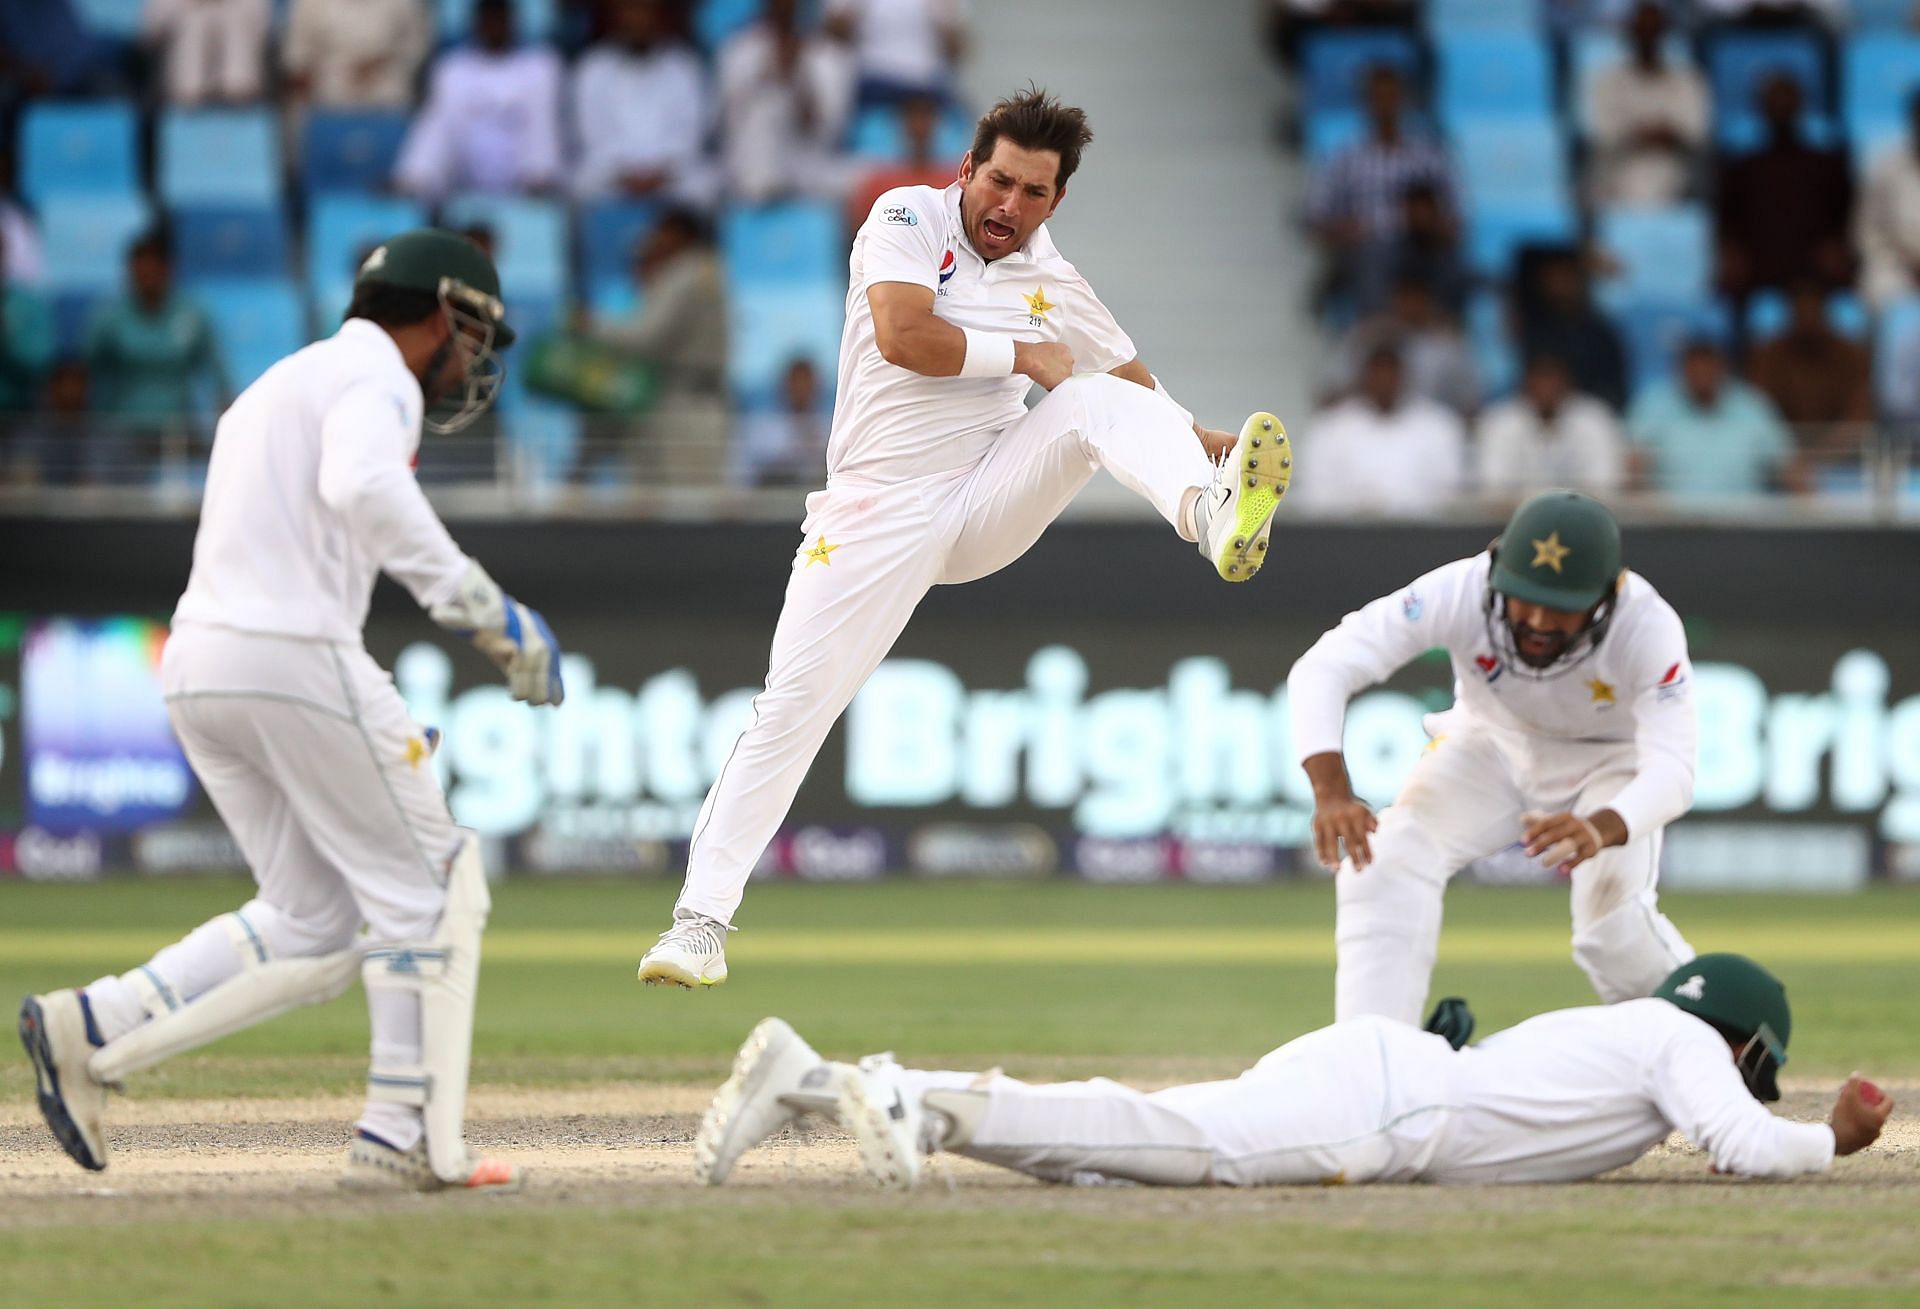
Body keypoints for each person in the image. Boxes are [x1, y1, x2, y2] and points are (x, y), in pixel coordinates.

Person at [636, 89, 1290, 989]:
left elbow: (1133, 388)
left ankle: (1206, 513)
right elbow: (904, 336)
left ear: (1056, 203)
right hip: (871, 514)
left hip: (983, 498)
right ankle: (699, 924)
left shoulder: (1057, 284)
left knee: (1098, 402)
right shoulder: (905, 215)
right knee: (792, 707)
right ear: (967, 171)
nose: (1007, 207)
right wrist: (1023, 357)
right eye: (999, 181)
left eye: (1031, 193)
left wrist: (1206, 445)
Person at [17, 230, 563, 1193]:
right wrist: (492, 613)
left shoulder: (277, 382)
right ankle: (399, 1135)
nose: (471, 361)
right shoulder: (377, 381)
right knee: (432, 883)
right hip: (290, 659)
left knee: (312, 915)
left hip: (199, 666)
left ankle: (89, 1022)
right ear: (439, 314)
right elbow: (361, 488)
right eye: (472, 334)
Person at [696, 954, 1893, 1191]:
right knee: (1160, 1141)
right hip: (1389, 1104)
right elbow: (1741, 1142)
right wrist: (1829, 1139)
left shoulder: (1634, 1036)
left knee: (1135, 1147)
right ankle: (918, 1099)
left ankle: (811, 1077)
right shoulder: (1680, 1045)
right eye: (1760, 1073)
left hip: (1388, 1077)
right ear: (1743, 1046)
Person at [1288, 491, 1696, 1023]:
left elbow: (1674, 769)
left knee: (1611, 931)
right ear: (1496, 569)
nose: (1539, 622)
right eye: (1523, 597)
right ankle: (1373, 1063)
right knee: (1384, 860)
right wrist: (1331, 793)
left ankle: (1721, 1046)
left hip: (1610, 763)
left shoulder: (1647, 624)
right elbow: (1326, 665)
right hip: (1490, 743)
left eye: (1563, 607)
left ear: (1607, 596)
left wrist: (1600, 827)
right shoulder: (1460, 588)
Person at [582, 208, 730, 485]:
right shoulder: (707, 271)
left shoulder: (686, 273)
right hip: (694, 401)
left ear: (679, 234)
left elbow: (644, 338)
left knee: (679, 503)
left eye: (662, 231)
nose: (656, 239)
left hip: (682, 406)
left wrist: (593, 325)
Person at [1306, 64, 1457, 316]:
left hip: (1421, 244)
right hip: (1367, 245)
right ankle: (1379, 331)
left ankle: (1441, 335)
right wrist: (1341, 229)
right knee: (1372, 257)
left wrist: (1434, 224)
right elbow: (1315, 215)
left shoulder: (1430, 155)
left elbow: (1456, 212)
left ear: (1404, 99)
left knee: (1450, 264)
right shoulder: (1344, 158)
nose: (1385, 104)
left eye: (1392, 96)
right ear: (1365, 102)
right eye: (1377, 97)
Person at [393, 0, 564, 200]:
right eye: (488, 20)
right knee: (436, 127)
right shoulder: (452, 69)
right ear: (475, 24)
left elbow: (544, 129)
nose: (494, 27)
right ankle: (415, 179)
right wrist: (417, 174)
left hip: (525, 178)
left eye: (500, 20)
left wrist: (540, 173)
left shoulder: (542, 67)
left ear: (513, 22)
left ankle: (539, 179)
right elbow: (437, 131)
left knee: (542, 167)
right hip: (464, 174)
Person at [1714, 73, 1853, 299]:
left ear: (1800, 105)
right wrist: (1732, 255)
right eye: (1774, 102)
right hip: (1758, 264)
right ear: (1761, 108)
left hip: (1814, 267)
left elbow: (1841, 220)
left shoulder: (1826, 165)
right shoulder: (1742, 168)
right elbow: (1728, 223)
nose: (1781, 107)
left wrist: (1836, 248)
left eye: (1787, 101)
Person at [85, 230, 229, 445]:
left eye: (154, 269)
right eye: (140, 270)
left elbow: (217, 375)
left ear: (168, 269)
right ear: (129, 272)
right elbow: (86, 373)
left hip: (178, 430)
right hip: (122, 431)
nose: (147, 278)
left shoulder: (193, 314)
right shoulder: (109, 319)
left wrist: (227, 412)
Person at [1289, 343, 1465, 517]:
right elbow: (1315, 494)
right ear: (1364, 375)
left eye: (1391, 372)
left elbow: (1449, 496)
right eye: (1378, 372)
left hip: (1421, 535)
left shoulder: (1438, 425)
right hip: (1345, 536)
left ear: (1404, 376)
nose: (1385, 380)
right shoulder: (1331, 427)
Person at [570, 0, 712, 205]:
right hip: (612, 176)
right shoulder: (593, 68)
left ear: (659, 17)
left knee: (705, 184)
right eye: (629, 12)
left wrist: (659, 174)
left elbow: (690, 137)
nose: (637, 21)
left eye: (644, 11)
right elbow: (592, 137)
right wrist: (624, 175)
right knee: (582, 182)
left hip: (669, 175)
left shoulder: (685, 66)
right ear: (615, 18)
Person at [1627, 337, 1806, 497]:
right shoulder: (1656, 404)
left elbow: (1790, 465)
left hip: (1745, 523)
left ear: (1723, 369)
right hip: (1670, 524)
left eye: (1708, 367)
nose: (1702, 375)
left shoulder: (1752, 407)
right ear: (1681, 370)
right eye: (1694, 369)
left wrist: (1808, 506)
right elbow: (1633, 466)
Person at [717, 0, 855, 205]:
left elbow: (829, 131)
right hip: (750, 166)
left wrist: (798, 78)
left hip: (810, 166)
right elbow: (727, 121)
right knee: (765, 107)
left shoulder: (828, 57)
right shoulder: (738, 50)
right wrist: (767, 78)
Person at [1583, 1, 1709, 208]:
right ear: (1630, 32)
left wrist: (1640, 133)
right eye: (1641, 30)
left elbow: (1695, 133)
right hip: (1617, 181)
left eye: (1653, 30)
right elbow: (1602, 134)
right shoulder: (1605, 81)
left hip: (1675, 183)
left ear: (1665, 32)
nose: (1647, 36)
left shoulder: (1689, 81)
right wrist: (1654, 133)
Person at [1745, 279, 1871, 467]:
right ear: (1790, 314)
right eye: (1801, 313)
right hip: (1781, 462)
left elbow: (1858, 417)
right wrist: (1790, 457)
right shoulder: (1768, 357)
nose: (1807, 320)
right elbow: (1760, 414)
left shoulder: (1851, 356)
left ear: (1825, 314)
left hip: (1842, 462)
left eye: (1813, 312)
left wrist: (1823, 457)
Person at [1474, 353, 1628, 499]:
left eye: (1552, 377)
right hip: (1514, 523)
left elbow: (1605, 487)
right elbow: (1494, 491)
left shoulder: (1594, 419)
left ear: (1567, 381)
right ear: (1527, 381)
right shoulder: (1501, 421)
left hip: (1581, 522)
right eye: (1540, 376)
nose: (1546, 386)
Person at [1326, 275, 1479, 416]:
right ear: (1393, 300)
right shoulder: (1366, 338)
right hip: (1371, 422)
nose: (1410, 306)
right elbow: (1331, 395)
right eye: (1405, 299)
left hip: (1431, 425)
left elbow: (1469, 402)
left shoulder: (1448, 347)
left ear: (1428, 301)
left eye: (1416, 299)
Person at [1515, 249, 1629, 412]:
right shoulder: (1536, 331)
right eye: (1554, 276)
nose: (1559, 283)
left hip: (1590, 413)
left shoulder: (1601, 333)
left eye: (1566, 275)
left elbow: (1615, 389)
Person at [283, 0, 433, 111]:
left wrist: (380, 66)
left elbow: (416, 45)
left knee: (394, 88)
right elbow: (298, 56)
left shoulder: (404, 3)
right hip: (329, 78)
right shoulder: (309, 4)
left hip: (385, 73)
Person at [823, 0, 966, 108]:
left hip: (926, 85)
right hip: (874, 81)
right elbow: (830, 33)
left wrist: (943, 18)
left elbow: (958, 50)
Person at [1855, 91, 1920, 310]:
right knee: (1878, 288)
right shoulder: (1885, 165)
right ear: (1912, 120)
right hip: (1896, 268)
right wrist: (1905, 261)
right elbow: (1866, 230)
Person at [142, 0, 271, 104]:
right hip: (178, 92)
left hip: (241, 95)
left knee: (234, 19)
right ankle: (187, 94)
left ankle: (236, 90)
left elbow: (264, 29)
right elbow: (150, 33)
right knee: (193, 22)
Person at [737, 356, 829, 486]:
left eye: (806, 382)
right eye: (796, 381)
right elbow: (747, 471)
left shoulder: (828, 429)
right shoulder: (763, 428)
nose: (801, 388)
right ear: (785, 385)